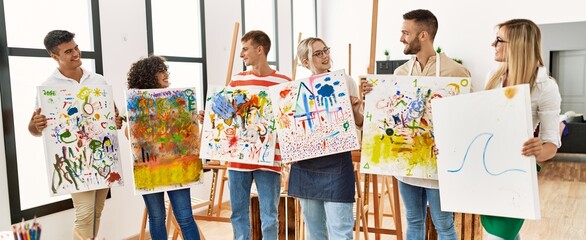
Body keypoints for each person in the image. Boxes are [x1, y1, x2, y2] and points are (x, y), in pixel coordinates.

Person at [362, 9, 470, 240]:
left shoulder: (456, 73)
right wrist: (373, 94)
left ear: (423, 35)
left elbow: (466, 120)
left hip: (438, 165)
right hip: (407, 162)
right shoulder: (400, 73)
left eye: (405, 33)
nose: (401, 38)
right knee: (413, 219)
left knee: (443, 223)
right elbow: (389, 114)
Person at [28, 30, 123, 239]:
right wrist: (37, 124)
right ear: (55, 57)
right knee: (85, 213)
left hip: (101, 158)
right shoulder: (48, 88)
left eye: (76, 47)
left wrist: (116, 121)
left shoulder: (97, 80)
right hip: (74, 160)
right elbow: (33, 129)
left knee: (97, 211)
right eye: (68, 51)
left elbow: (113, 116)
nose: (76, 53)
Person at [201, 30, 291, 240]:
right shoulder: (237, 80)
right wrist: (210, 117)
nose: (241, 54)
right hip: (238, 160)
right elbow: (228, 115)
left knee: (269, 216)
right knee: (238, 214)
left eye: (245, 49)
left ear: (260, 49)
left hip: (269, 160)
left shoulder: (283, 81)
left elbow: (288, 119)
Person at [481, 19, 561, 240]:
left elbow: (551, 144)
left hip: (516, 171)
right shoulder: (493, 77)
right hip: (487, 166)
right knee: (492, 233)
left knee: (500, 234)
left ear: (517, 44)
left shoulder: (545, 87)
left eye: (499, 40)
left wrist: (539, 149)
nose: (492, 44)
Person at [288, 37, 363, 240]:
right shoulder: (295, 89)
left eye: (326, 51)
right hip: (306, 165)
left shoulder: (346, 82)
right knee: (315, 232)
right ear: (306, 62)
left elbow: (359, 123)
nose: (325, 56)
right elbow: (292, 129)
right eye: (318, 53)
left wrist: (355, 109)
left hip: (337, 163)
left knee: (341, 230)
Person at [125, 55, 201, 240]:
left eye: (165, 70)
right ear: (149, 75)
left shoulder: (177, 99)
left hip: (177, 166)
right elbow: (129, 134)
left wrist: (193, 120)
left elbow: (186, 133)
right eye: (161, 71)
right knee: (157, 217)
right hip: (150, 169)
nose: (166, 74)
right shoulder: (135, 100)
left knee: (185, 216)